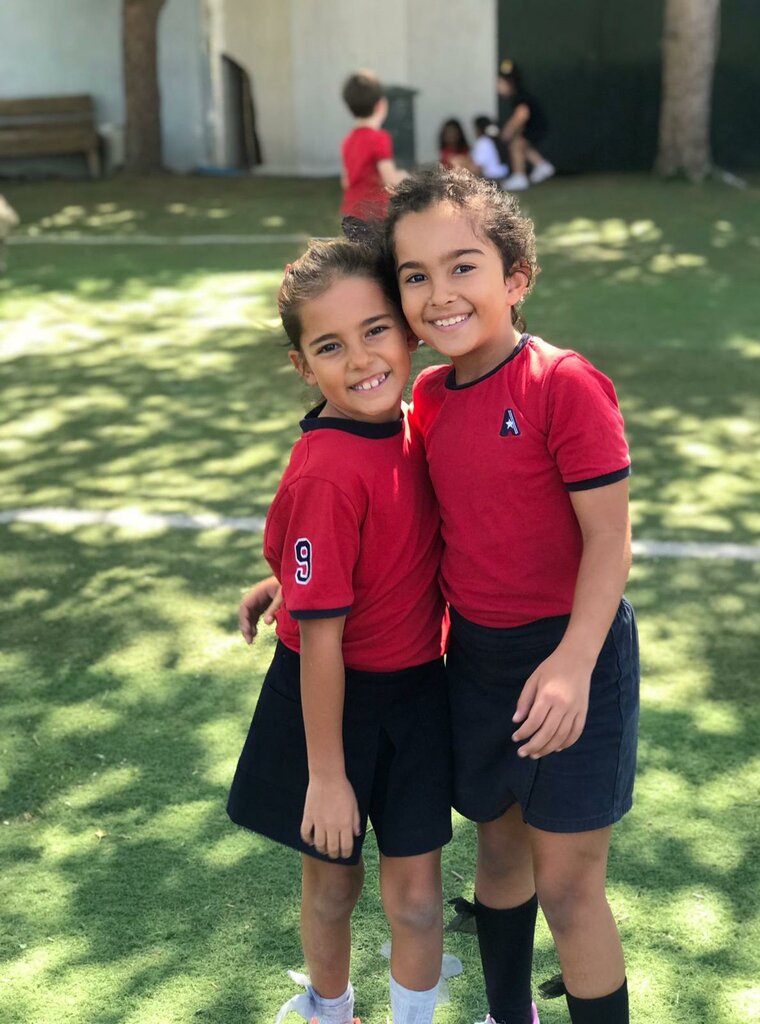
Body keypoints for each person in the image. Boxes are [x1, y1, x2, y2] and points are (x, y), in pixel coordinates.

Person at [383, 168, 639, 1024]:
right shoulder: (428, 398)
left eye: (463, 267)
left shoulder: (564, 384)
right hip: (477, 662)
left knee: (568, 887)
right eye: (415, 276)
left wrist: (572, 664)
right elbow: (411, 521)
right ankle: (507, 1013)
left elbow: (609, 540)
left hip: (573, 654)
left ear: (516, 277)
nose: (439, 293)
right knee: (499, 852)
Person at [227, 238, 454, 1024]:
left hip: (418, 695)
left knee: (417, 899)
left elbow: (376, 552)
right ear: (303, 365)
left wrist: (285, 583)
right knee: (333, 886)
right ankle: (332, 1010)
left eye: (375, 329)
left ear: (410, 331)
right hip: (329, 704)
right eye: (330, 346)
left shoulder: (416, 420)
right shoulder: (325, 470)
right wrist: (328, 776)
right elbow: (322, 637)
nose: (360, 359)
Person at [340, 70, 408, 221]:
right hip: (372, 214)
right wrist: (404, 177)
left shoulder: (348, 140)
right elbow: (390, 179)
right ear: (381, 105)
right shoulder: (379, 138)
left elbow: (345, 181)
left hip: (350, 213)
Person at [497, 59, 555, 192]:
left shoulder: (519, 96)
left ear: (510, 83)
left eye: (500, 82)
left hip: (535, 127)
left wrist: (508, 131)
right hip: (536, 127)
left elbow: (522, 115)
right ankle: (542, 165)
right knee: (522, 145)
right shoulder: (517, 96)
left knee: (516, 145)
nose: (498, 86)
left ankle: (519, 177)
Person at [470, 116, 511, 182]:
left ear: (478, 129)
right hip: (505, 175)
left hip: (492, 178)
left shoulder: (482, 142)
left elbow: (478, 167)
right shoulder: (497, 139)